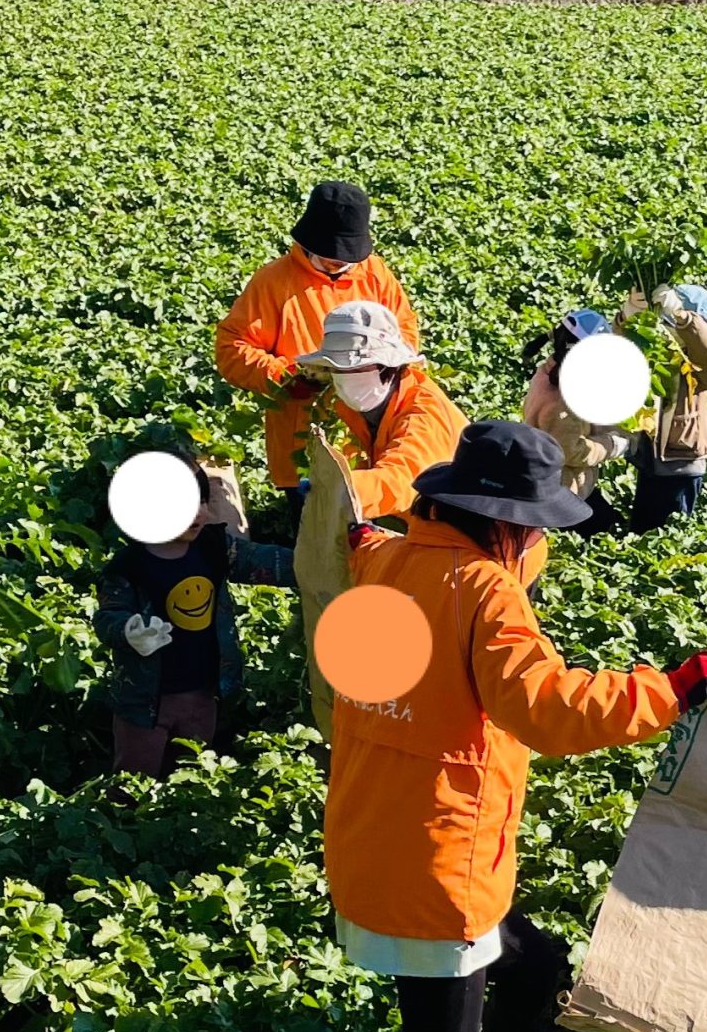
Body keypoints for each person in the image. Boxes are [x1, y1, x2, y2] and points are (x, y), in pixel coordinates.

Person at [323, 419, 707, 1032]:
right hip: (442, 870)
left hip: (373, 841)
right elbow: (550, 709)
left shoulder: (389, 561)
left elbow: (352, 541)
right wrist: (670, 690)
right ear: (504, 523)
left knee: (534, 965)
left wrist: (351, 526)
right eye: (533, 527)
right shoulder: (484, 593)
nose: (536, 541)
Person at [93, 441, 295, 776]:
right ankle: (131, 825)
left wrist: (313, 563)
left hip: (202, 694)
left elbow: (264, 562)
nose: (200, 512)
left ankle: (179, 821)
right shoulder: (127, 567)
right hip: (146, 702)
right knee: (134, 778)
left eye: (201, 501)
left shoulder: (215, 547)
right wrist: (130, 631)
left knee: (189, 772)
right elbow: (108, 617)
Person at [213, 181, 423, 495]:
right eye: (330, 258)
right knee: (313, 526)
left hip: (372, 431)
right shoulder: (273, 282)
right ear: (309, 244)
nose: (339, 263)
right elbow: (232, 348)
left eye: (346, 259)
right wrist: (285, 377)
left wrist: (383, 370)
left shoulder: (375, 273)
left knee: (369, 519)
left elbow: (404, 330)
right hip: (302, 433)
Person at [292, 301, 464, 519]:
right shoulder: (356, 407)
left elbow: (402, 480)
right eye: (338, 368)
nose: (347, 376)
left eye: (359, 368)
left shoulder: (423, 414)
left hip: (452, 533)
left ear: (389, 366)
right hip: (412, 520)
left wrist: (342, 488)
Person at [519, 308, 629, 538]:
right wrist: (611, 445)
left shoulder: (549, 370)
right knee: (610, 533)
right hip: (561, 491)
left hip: (552, 480)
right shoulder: (562, 401)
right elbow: (571, 452)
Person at [626, 282, 707, 533]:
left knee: (669, 533)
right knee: (642, 530)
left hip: (681, 464)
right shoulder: (659, 349)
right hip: (652, 460)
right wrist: (627, 318)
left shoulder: (701, 365)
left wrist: (683, 318)